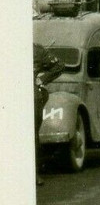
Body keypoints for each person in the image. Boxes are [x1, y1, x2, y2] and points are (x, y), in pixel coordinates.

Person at [34, 43, 64, 186]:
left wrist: (42, 79)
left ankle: (34, 173)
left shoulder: (36, 50)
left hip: (31, 97)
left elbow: (59, 65)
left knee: (32, 135)